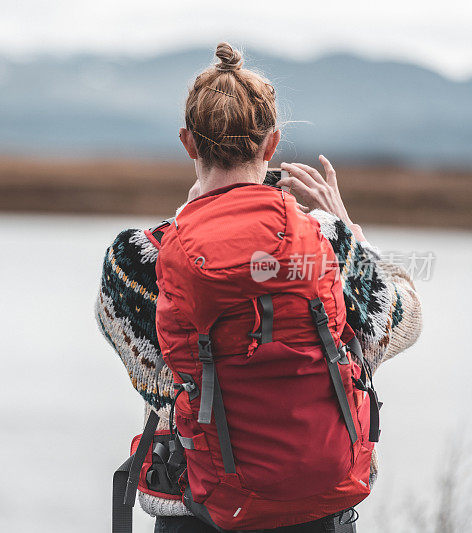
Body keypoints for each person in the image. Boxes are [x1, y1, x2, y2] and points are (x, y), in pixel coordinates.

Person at [95, 42, 422, 532]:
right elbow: (403, 321)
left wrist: (189, 219)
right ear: (272, 145)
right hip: (318, 509)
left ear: (188, 142)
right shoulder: (326, 241)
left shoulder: (136, 259)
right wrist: (348, 227)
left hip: (197, 510)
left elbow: (156, 376)